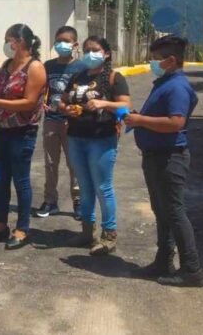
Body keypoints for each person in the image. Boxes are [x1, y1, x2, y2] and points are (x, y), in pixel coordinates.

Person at [124, 35, 203, 287]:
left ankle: (192, 269)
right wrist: (139, 118)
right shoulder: (165, 82)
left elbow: (175, 122)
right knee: (162, 211)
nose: (152, 63)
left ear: (171, 60)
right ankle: (163, 260)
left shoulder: (177, 87)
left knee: (174, 211)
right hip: (156, 156)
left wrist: (140, 121)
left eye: (156, 59)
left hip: (169, 157)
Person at [0, 24, 47, 250]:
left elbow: (29, 102)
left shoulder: (35, 67)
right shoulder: (6, 65)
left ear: (20, 42)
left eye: (9, 40)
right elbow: (2, 93)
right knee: (0, 180)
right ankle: (1, 224)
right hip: (0, 130)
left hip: (22, 131)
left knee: (21, 180)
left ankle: (22, 228)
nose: (6, 45)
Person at [60, 36, 130, 255]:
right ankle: (86, 232)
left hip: (101, 138)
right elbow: (63, 100)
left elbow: (125, 106)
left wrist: (104, 103)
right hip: (76, 136)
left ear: (106, 53)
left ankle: (109, 235)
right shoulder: (77, 76)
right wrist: (66, 109)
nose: (90, 53)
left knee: (103, 187)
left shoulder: (114, 77)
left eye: (95, 49)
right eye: (87, 50)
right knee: (84, 186)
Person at [36, 26, 86, 219]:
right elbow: (41, 89)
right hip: (51, 120)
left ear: (75, 44)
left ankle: (79, 201)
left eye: (66, 41)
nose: (61, 44)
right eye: (58, 41)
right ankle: (50, 201)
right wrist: (40, 102)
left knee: (74, 163)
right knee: (50, 163)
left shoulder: (81, 67)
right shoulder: (48, 66)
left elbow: (85, 94)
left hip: (73, 122)